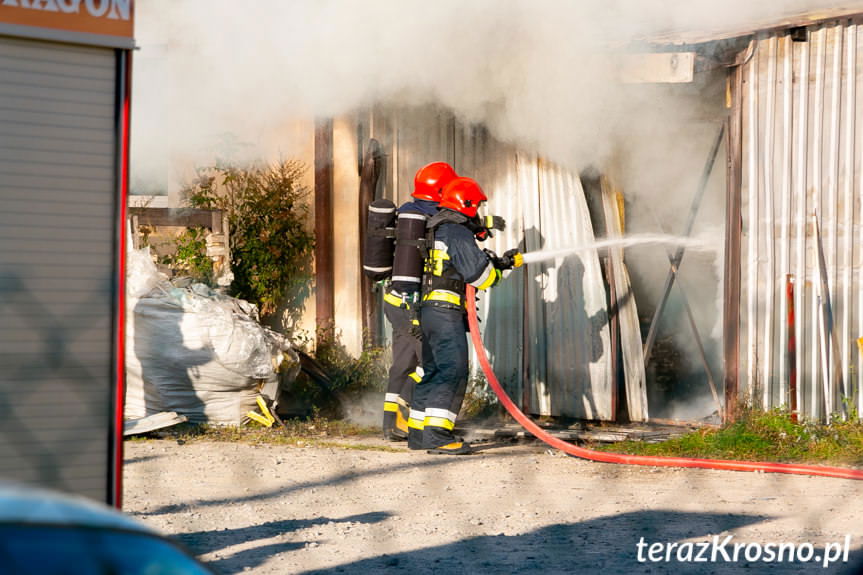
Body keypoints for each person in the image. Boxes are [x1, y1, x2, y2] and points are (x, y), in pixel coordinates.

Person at [409, 176, 521, 454]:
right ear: (467, 204)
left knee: (433, 370)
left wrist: (496, 260)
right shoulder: (456, 232)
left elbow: (458, 265)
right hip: (445, 313)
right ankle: (438, 437)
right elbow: (481, 276)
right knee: (452, 371)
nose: (479, 211)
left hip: (428, 311)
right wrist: (503, 267)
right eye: (477, 206)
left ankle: (419, 434)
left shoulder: (437, 227)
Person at [381, 162, 456, 440]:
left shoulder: (404, 213)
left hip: (395, 300)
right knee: (432, 362)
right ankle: (413, 422)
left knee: (402, 362)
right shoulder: (436, 219)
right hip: (416, 305)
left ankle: (390, 425)